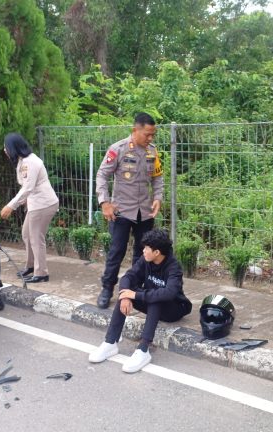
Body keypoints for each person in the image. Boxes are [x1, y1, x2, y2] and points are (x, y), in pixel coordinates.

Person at [88, 229, 192, 373]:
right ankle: (110, 342)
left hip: (173, 309)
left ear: (157, 252)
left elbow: (169, 293)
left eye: (146, 248)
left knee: (155, 298)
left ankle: (143, 350)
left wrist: (136, 295)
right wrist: (126, 296)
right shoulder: (145, 259)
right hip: (153, 303)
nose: (143, 251)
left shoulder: (173, 266)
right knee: (126, 294)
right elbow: (128, 277)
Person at [95, 112, 164, 308]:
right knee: (116, 251)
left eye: (153, 135)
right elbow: (102, 175)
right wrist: (104, 202)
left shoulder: (152, 151)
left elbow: (158, 177)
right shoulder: (118, 149)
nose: (150, 138)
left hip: (145, 211)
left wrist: (158, 197)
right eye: (147, 134)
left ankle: (135, 289)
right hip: (121, 210)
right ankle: (107, 288)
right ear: (135, 130)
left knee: (143, 253)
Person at [0, 132, 59, 283]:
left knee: (36, 237)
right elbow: (27, 187)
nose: (5, 150)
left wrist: (10, 206)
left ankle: (41, 273)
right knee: (27, 234)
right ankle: (31, 266)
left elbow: (28, 188)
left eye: (6, 147)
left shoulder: (30, 162)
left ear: (13, 147)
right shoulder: (23, 160)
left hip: (43, 204)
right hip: (36, 204)